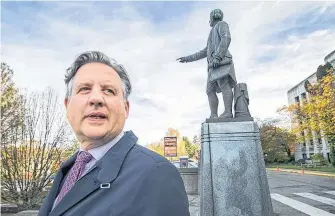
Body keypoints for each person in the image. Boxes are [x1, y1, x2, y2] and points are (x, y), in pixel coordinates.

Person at [38, 51, 190, 216]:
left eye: (109, 91)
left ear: (126, 109)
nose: (96, 98)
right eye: (84, 89)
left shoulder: (157, 174)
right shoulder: (70, 169)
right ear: (67, 106)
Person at [177, 9, 237, 119]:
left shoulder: (221, 24)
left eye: (209, 17)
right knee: (210, 90)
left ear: (213, 17)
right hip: (213, 67)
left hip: (221, 62)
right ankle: (214, 115)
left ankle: (228, 112)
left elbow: (226, 38)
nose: (208, 21)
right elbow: (202, 53)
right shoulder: (212, 32)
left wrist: (218, 57)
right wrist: (186, 59)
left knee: (224, 85)